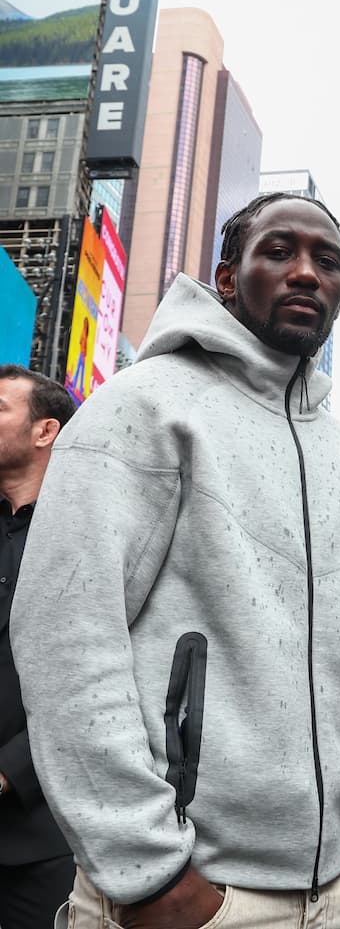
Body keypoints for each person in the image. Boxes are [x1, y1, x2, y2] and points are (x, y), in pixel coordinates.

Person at [10, 193, 340, 928]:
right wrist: (149, 873)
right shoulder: (144, 407)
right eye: (278, 251)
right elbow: (65, 636)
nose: (304, 272)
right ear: (226, 279)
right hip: (185, 896)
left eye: (327, 261)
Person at [0, 366, 75, 929]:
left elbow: (92, 675)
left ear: (44, 430)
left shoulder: (85, 532)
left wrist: (8, 771)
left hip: (46, 831)